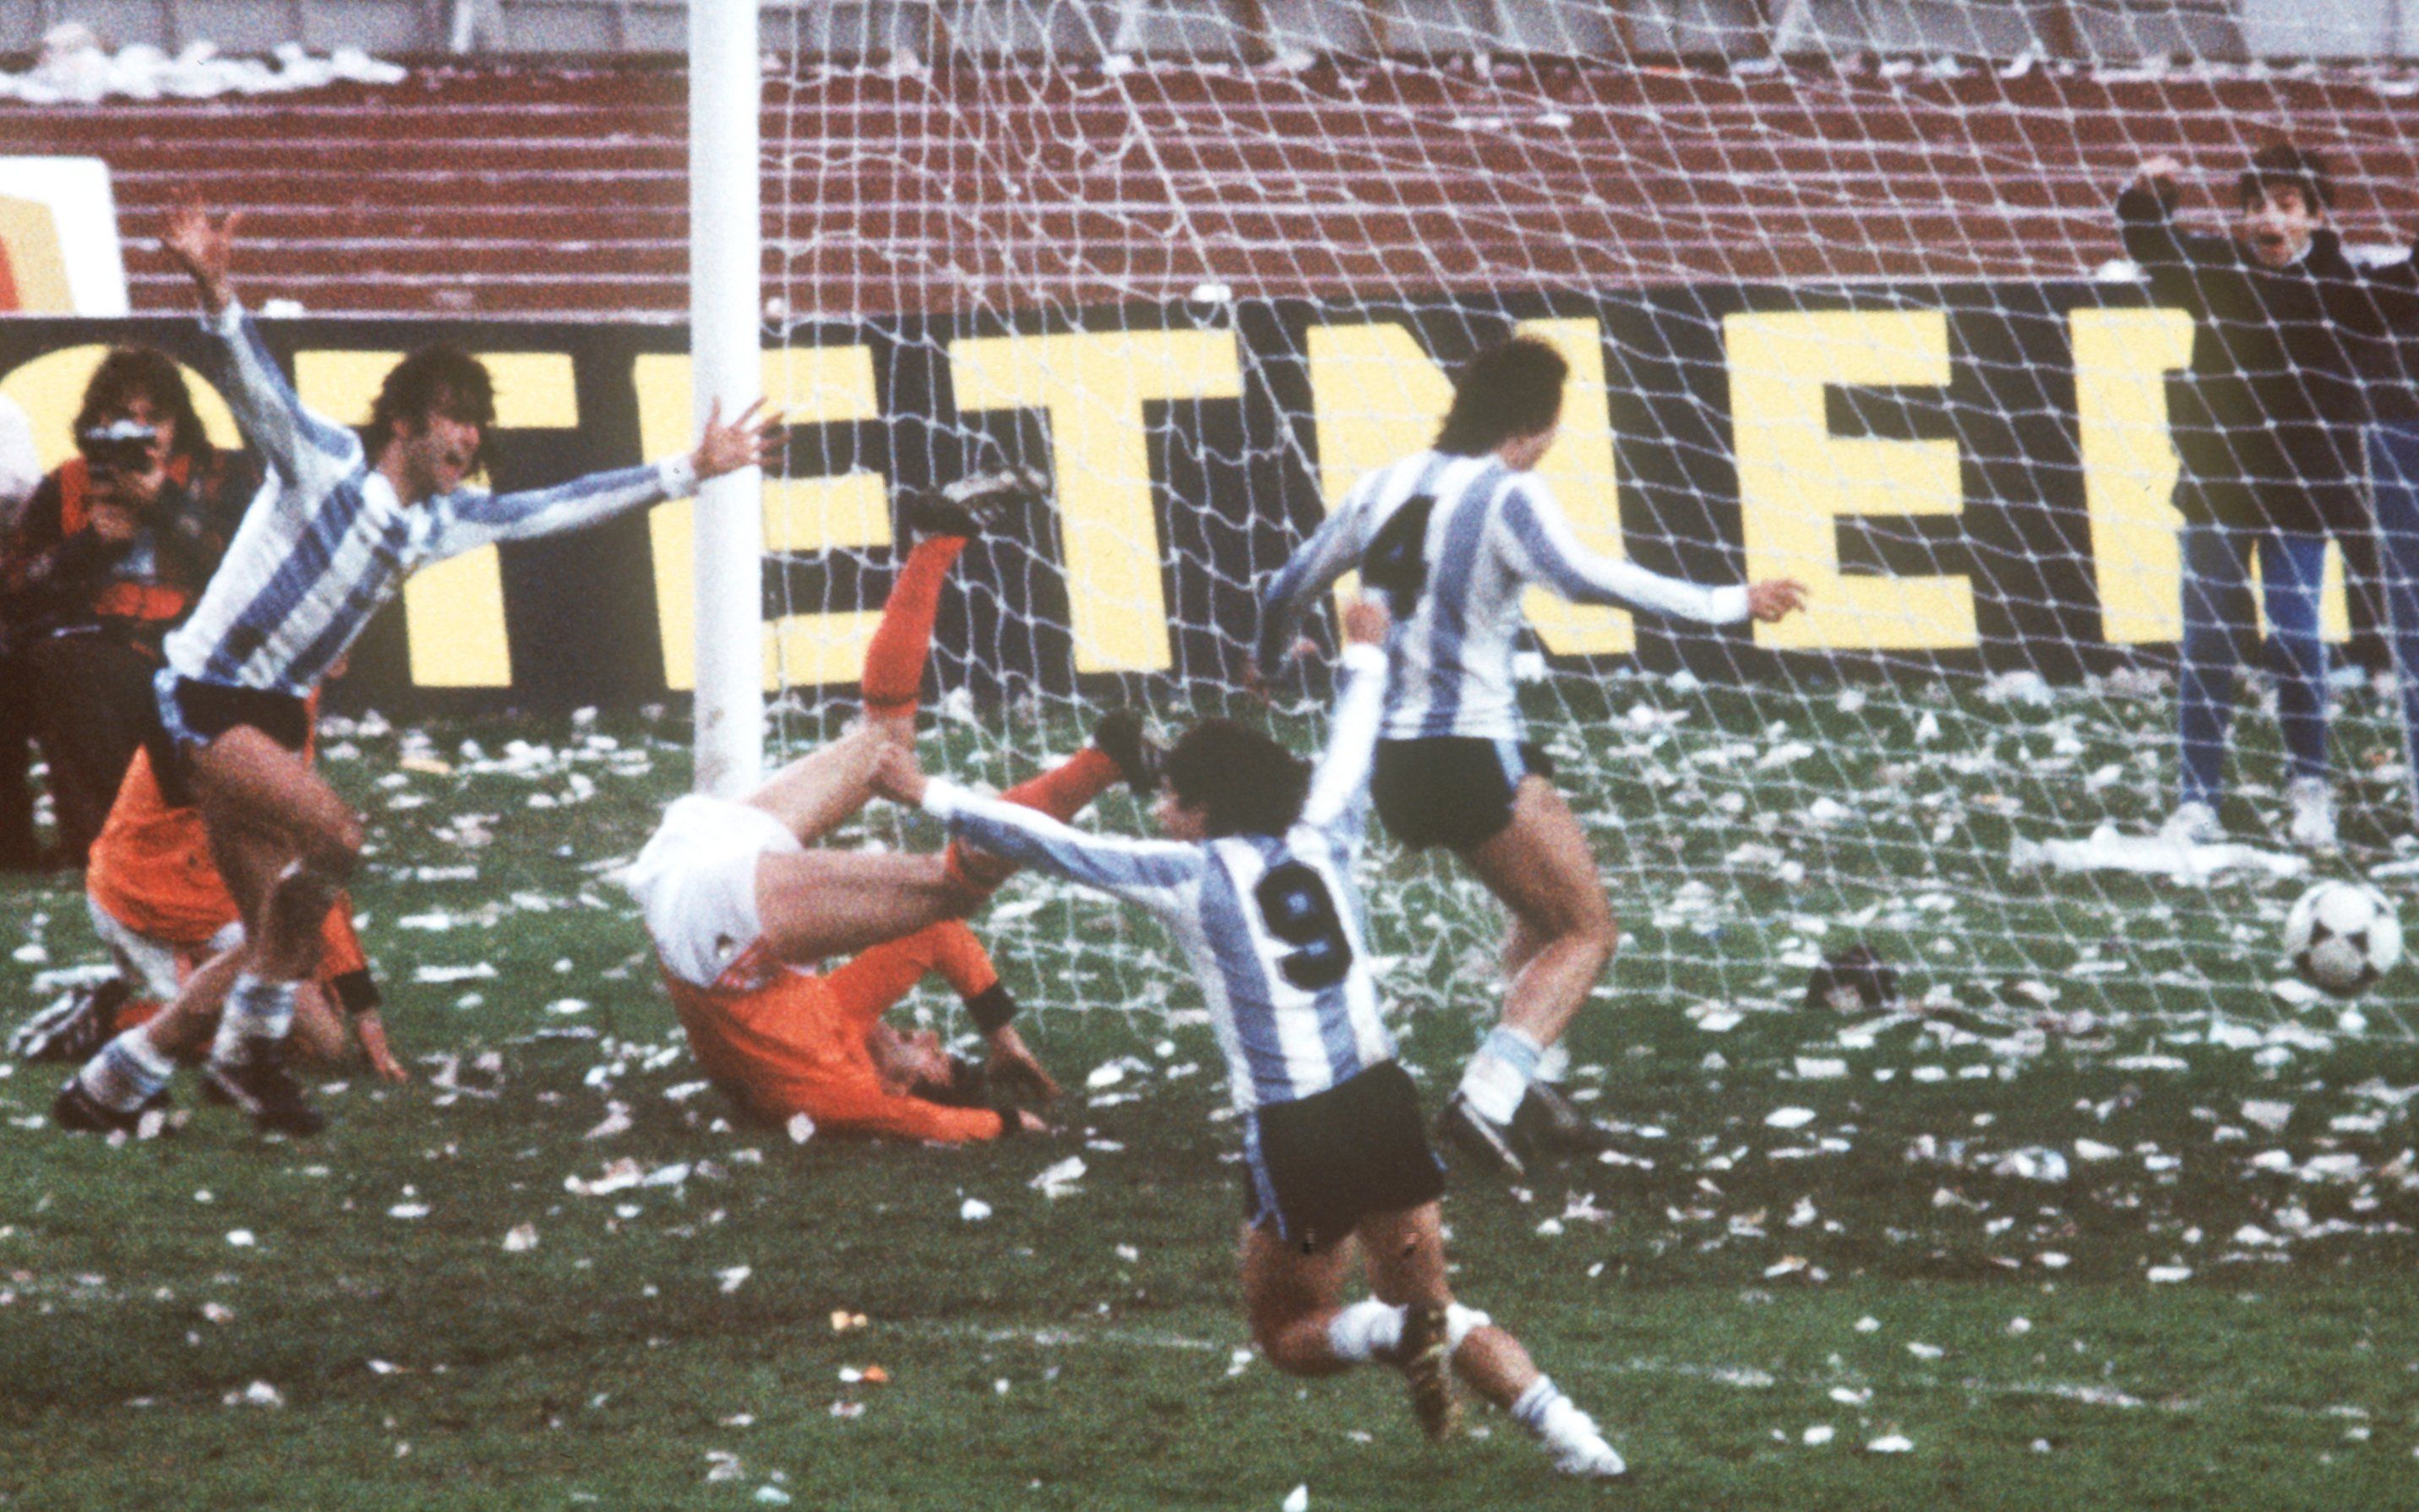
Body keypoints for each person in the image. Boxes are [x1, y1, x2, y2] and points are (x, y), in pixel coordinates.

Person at [54, 199, 779, 1138]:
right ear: (405, 417)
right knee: (340, 838)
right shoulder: (321, 462)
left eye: (478, 424)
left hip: (268, 718)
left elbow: (559, 505)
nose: (469, 439)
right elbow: (253, 383)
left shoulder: (440, 523)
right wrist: (215, 288)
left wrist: (686, 469)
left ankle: (118, 1076)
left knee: (285, 936)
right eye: (454, 418)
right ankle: (238, 1060)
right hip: (199, 697)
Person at [875, 597, 1626, 1476]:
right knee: (1440, 1304)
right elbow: (1351, 741)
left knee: (1288, 1332)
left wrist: (923, 790)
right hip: (1382, 1103)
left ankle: (1388, 1329)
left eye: (1166, 795)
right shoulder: (1328, 829)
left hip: (1296, 1130)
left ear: (1203, 807)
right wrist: (1365, 656)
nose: (1156, 810)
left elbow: (1042, 841)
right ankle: (1577, 1435)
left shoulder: (1191, 875)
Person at [1252, 334, 1806, 1175]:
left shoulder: (1384, 484)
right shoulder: (1509, 493)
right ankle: (1488, 1095)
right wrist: (1731, 600)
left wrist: (1270, 650)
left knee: (1538, 914)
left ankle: (1536, 1088)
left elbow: (1287, 581)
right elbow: (1586, 581)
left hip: (1391, 764)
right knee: (1588, 931)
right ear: (1539, 423)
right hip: (1468, 752)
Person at [627, 475, 1158, 1142]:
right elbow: (932, 938)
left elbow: (907, 1118)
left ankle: (1107, 760)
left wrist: (1006, 1124)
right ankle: (938, 539)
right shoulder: (842, 1018)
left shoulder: (832, 1085)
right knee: (884, 745)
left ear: (911, 1079)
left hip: (711, 926)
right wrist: (1001, 1034)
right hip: (696, 868)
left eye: (937, 1056)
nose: (933, 1035)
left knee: (953, 887)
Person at [2117, 144, 2389, 850]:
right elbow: (2148, 241)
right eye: (2254, 205)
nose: (2268, 217)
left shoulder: (2343, 285)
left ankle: (2309, 788)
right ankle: (2196, 798)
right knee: (2207, 639)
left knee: (2296, 640)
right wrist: (2148, 194)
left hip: (2302, 494)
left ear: (2316, 216)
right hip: (2217, 488)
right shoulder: (2215, 272)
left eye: (2286, 203)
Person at [37, 716, 404, 1135]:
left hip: (203, 888)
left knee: (307, 1018)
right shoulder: (234, 705)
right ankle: (118, 1023)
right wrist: (360, 1000)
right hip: (158, 896)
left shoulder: (281, 697)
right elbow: (302, 866)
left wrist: (361, 1002)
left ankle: (108, 1088)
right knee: (286, 977)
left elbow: (304, 878)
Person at [0, 348, 248, 867]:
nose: (141, 435)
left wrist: (164, 507)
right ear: (97, 425)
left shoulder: (220, 475)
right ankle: (16, 843)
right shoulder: (69, 482)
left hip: (198, 652)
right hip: (88, 647)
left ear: (177, 424)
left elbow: (246, 570)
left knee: (67, 668)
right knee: (42, 664)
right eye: (123, 419)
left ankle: (111, 840)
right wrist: (88, 543)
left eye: (154, 419)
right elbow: (15, 586)